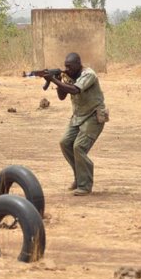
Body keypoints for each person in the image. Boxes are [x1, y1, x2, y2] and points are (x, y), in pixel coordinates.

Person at [45, 53, 108, 196]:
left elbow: (75, 89)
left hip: (93, 116)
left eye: (70, 66)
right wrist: (58, 79)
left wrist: (53, 80)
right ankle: (79, 177)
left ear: (79, 64)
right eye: (65, 66)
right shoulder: (68, 76)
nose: (67, 69)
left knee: (79, 147)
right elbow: (62, 97)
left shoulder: (89, 74)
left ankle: (85, 185)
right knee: (65, 143)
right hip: (78, 117)